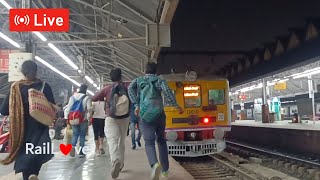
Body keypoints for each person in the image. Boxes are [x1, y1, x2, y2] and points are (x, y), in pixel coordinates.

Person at [0, 60, 55, 180]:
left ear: (22, 72)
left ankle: (28, 176)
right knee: (39, 151)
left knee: (25, 155)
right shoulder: (44, 86)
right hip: (40, 126)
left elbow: (4, 110)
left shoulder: (15, 88)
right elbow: (52, 107)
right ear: (36, 71)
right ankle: (34, 173)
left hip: (21, 129)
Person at [128, 62, 183, 180]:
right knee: (161, 141)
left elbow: (130, 89)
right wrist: (176, 106)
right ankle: (165, 171)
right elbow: (168, 93)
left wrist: (137, 104)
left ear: (145, 71)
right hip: (159, 115)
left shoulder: (138, 80)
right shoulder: (159, 80)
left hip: (145, 116)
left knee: (149, 143)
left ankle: (154, 164)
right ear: (155, 71)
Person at [92, 68, 130, 179]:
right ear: (121, 77)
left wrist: (105, 98)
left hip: (111, 117)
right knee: (121, 141)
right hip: (125, 117)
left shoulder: (107, 88)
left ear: (111, 78)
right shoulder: (126, 87)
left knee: (112, 140)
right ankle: (121, 164)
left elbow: (94, 97)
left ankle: (115, 161)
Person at [65, 84, 92, 157]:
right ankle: (81, 151)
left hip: (74, 119)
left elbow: (68, 108)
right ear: (86, 90)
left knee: (75, 134)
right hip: (83, 119)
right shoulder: (87, 97)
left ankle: (73, 147)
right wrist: (89, 119)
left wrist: (66, 118)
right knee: (82, 135)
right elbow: (89, 109)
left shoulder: (72, 97)